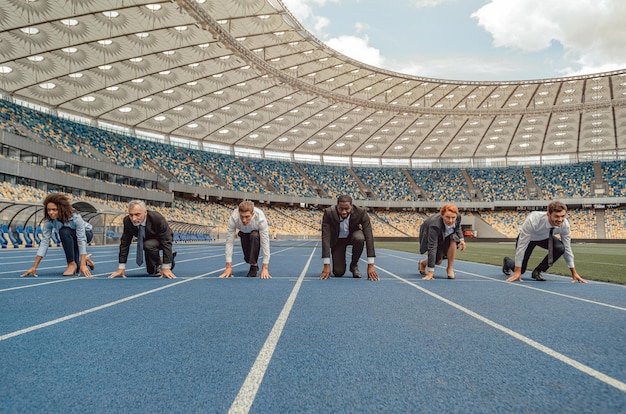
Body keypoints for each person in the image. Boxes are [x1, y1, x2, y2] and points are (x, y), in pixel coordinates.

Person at [502, 201, 586, 283]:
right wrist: (517, 271)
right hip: (529, 239)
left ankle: (538, 271)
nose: (560, 220)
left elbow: (567, 248)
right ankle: (507, 262)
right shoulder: (533, 220)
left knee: (560, 248)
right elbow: (521, 246)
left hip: (545, 238)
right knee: (521, 270)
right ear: (548, 214)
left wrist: (574, 273)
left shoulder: (565, 225)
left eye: (562, 216)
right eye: (556, 216)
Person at [21, 193, 95, 277]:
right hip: (70, 237)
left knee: (64, 231)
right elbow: (45, 242)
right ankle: (85, 261)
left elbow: (81, 239)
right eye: (49, 210)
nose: (51, 212)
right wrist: (34, 267)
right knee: (78, 268)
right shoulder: (49, 221)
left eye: (54, 209)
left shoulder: (75, 217)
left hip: (87, 233)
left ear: (61, 209)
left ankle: (71, 263)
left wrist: (83, 266)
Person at [109, 200, 176, 279]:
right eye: (131, 215)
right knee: (151, 271)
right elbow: (125, 243)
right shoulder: (127, 221)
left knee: (148, 245)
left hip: (161, 239)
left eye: (137, 214)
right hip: (146, 241)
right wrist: (121, 267)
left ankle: (161, 264)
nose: (134, 218)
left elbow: (166, 241)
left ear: (145, 212)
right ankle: (167, 259)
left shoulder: (157, 218)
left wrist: (166, 267)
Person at [319, 195, 379, 281]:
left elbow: (369, 236)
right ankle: (340, 265)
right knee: (338, 272)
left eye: (347, 209)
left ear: (352, 206)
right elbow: (325, 237)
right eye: (341, 209)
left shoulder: (361, 212)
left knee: (360, 238)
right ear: (337, 206)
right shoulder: (329, 213)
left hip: (353, 236)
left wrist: (371, 265)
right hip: (338, 240)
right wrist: (326, 265)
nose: (344, 212)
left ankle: (354, 265)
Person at [219, 200, 271, 279]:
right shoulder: (234, 218)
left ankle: (253, 266)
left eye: (247, 217)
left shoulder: (260, 219)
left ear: (252, 214)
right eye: (242, 216)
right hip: (243, 234)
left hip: (255, 235)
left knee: (254, 235)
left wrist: (265, 268)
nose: (244, 220)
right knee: (248, 259)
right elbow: (229, 242)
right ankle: (251, 261)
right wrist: (228, 267)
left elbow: (265, 243)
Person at [418, 204, 466, 280]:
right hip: (430, 234)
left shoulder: (458, 217)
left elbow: (457, 226)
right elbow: (432, 247)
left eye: (453, 218)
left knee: (453, 239)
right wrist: (430, 272)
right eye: (447, 217)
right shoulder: (434, 225)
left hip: (447, 235)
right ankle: (423, 263)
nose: (450, 221)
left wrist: (461, 239)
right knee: (438, 261)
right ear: (442, 216)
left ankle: (450, 268)